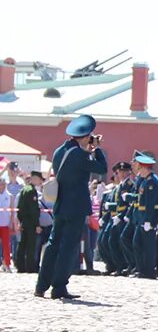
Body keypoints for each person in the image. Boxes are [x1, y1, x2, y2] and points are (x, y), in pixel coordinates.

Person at [35, 115, 109, 298]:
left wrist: (88, 148)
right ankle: (59, 288)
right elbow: (102, 168)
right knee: (68, 248)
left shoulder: (61, 151)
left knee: (53, 245)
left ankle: (41, 285)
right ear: (85, 136)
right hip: (75, 207)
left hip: (60, 205)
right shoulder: (79, 154)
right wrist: (97, 149)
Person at [130, 152, 158, 279]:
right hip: (142, 217)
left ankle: (149, 271)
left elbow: (150, 203)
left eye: (137, 165)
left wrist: (149, 220)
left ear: (143, 167)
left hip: (148, 218)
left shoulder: (152, 182)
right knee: (138, 243)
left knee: (148, 246)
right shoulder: (145, 181)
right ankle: (141, 269)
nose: (136, 167)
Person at [16, 171, 44, 273]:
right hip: (31, 223)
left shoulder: (24, 190)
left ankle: (20, 266)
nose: (40, 181)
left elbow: (19, 208)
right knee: (31, 246)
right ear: (35, 178)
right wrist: (37, 224)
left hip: (24, 221)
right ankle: (30, 267)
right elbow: (33, 210)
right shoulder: (32, 191)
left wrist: (21, 221)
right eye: (39, 179)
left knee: (22, 245)